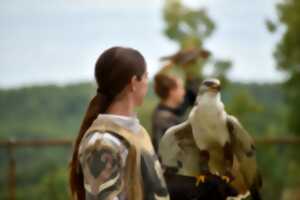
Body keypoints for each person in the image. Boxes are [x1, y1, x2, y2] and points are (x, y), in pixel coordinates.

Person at [69, 47, 170, 200]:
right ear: (134, 82)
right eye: (145, 76)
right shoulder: (102, 142)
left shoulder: (137, 132)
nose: (147, 82)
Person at [151, 73, 199, 152]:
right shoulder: (163, 119)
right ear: (172, 91)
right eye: (181, 88)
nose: (184, 92)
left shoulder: (163, 111)